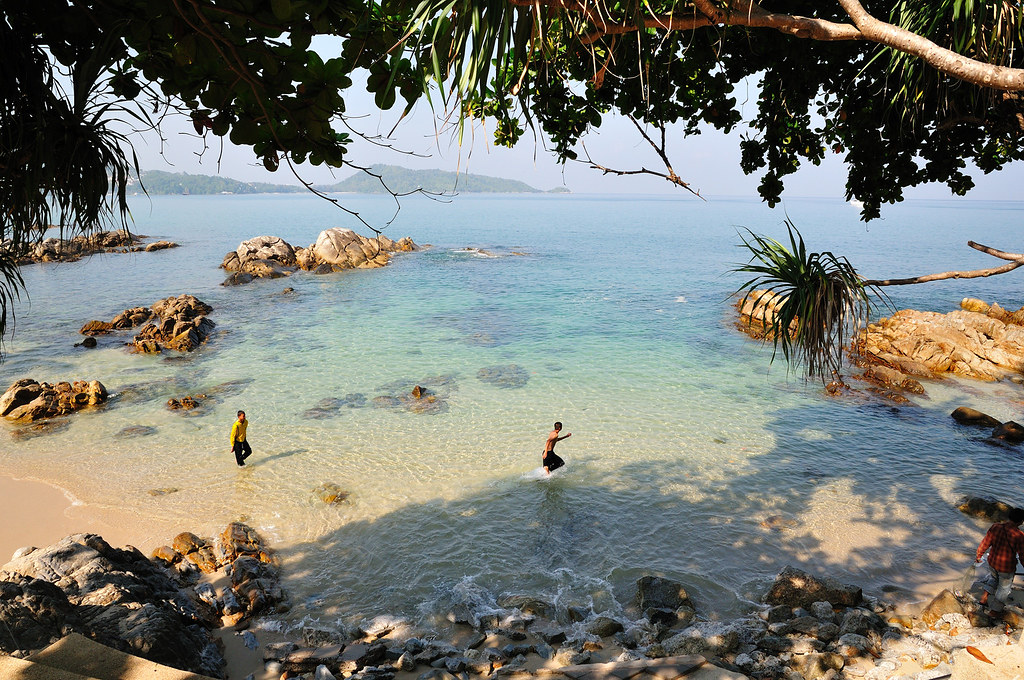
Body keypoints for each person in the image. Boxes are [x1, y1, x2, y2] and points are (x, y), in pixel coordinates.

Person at [976, 507, 1024, 616]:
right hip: (1006, 568)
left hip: (992, 562)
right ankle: (994, 611)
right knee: (1004, 589)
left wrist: (979, 555)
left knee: (993, 578)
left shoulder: (996, 527)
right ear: (1021, 521)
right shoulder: (1020, 536)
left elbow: (985, 542)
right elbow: (1022, 556)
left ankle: (983, 599)